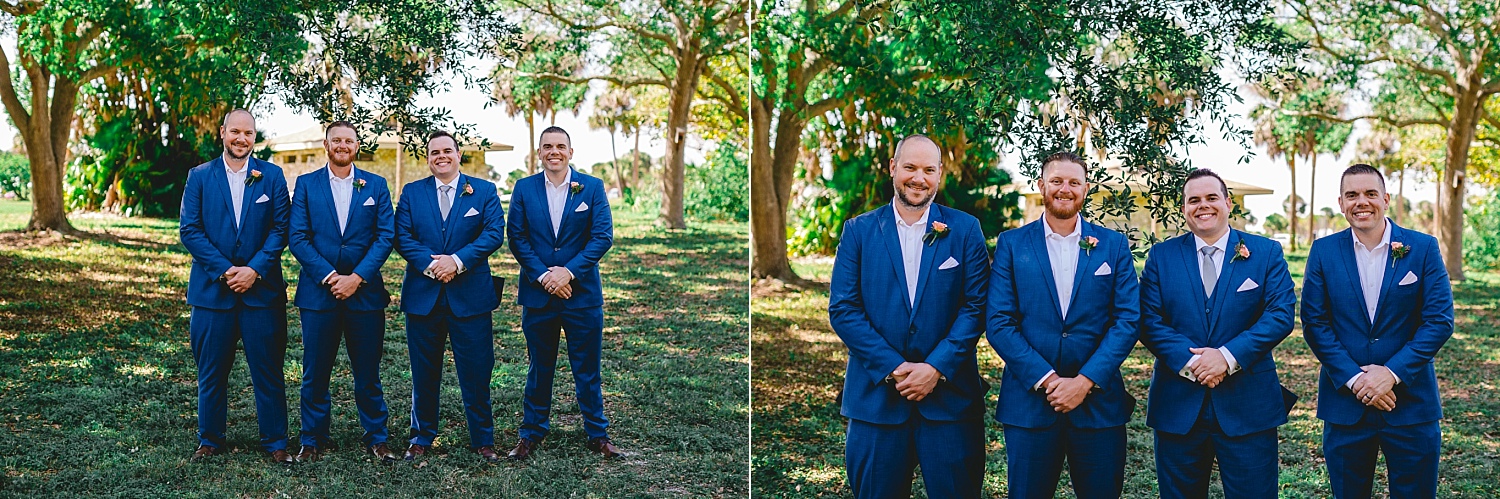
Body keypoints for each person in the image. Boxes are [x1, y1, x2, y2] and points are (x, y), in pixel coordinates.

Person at [827, 134, 990, 498]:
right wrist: (895, 368)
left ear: (939, 174)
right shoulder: (859, 231)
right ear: (893, 169)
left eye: (928, 170)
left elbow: (976, 306)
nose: (919, 178)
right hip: (877, 405)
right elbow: (843, 308)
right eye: (910, 167)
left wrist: (935, 368)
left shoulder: (965, 231)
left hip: (951, 404)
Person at [986, 151, 1139, 499]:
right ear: (1041, 185)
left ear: (1085, 189)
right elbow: (999, 322)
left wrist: (1084, 382)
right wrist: (1050, 380)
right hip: (1030, 405)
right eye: (1056, 181)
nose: (1064, 189)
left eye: (1073, 182)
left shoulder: (1113, 246)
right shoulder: (1012, 244)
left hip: (1099, 405)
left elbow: (1128, 319)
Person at [1138, 169, 1297, 498]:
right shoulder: (1162, 256)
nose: (1202, 205)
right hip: (1178, 404)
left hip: (1249, 405)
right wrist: (1192, 362)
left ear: (1228, 203)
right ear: (1184, 209)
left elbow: (1280, 314)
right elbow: (1148, 319)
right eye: (1193, 200)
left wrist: (1226, 357)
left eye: (1211, 197)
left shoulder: (1265, 253)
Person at [1302, 163, 1454, 498]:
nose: (1362, 201)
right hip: (1345, 406)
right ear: (1341, 203)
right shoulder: (1323, 251)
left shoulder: (1423, 247)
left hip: (1411, 404)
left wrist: (1392, 373)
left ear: (1385, 198)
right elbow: (1314, 322)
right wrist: (1357, 379)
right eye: (1352, 195)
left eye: (1370, 193)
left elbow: (1439, 320)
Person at [178, 108, 293, 464]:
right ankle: (210, 439)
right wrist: (228, 270)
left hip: (263, 293)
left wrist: (254, 269)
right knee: (211, 372)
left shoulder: (271, 176)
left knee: (269, 371)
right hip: (213, 294)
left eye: (249, 133)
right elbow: (190, 230)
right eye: (236, 132)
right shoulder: (199, 176)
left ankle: (276, 442)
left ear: (254, 138)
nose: (242, 139)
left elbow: (280, 229)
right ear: (223, 133)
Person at [504, 126, 620, 460]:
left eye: (560, 146)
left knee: (587, 368)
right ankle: (530, 434)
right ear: (538, 153)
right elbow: (517, 238)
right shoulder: (524, 189)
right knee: (539, 367)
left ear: (571, 152)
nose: (554, 152)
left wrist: (567, 272)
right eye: (547, 147)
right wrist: (544, 276)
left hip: (581, 294)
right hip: (539, 296)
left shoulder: (593, 187)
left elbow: (602, 237)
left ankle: (597, 434)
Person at [286, 121, 398, 462]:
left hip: (365, 294)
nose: (342, 145)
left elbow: (385, 236)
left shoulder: (376, 185)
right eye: (336, 140)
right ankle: (312, 439)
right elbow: (298, 237)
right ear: (326, 144)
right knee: (315, 372)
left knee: (368, 371)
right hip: (320, 294)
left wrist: (358, 277)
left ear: (356, 146)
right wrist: (331, 276)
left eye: (348, 140)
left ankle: (377, 437)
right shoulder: (305, 185)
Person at [394, 131, 506, 462]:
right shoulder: (413, 193)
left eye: (447, 151)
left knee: (476, 370)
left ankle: (483, 439)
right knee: (423, 371)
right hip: (423, 295)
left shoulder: (483, 191)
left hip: (470, 297)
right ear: (427, 158)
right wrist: (433, 265)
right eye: (433, 152)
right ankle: (421, 436)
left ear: (459, 154)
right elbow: (402, 236)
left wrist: (456, 263)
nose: (440, 156)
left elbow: (493, 233)